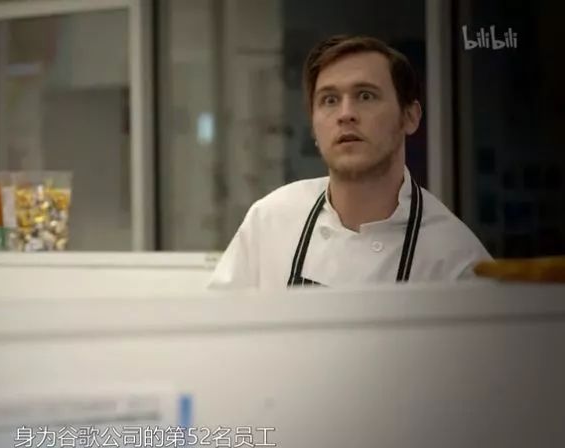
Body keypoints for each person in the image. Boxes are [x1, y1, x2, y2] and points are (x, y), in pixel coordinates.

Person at [209, 35, 492, 289]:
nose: (345, 114)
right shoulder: (270, 221)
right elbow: (219, 326)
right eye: (330, 100)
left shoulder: (457, 261)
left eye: (365, 96)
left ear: (410, 116)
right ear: (314, 127)